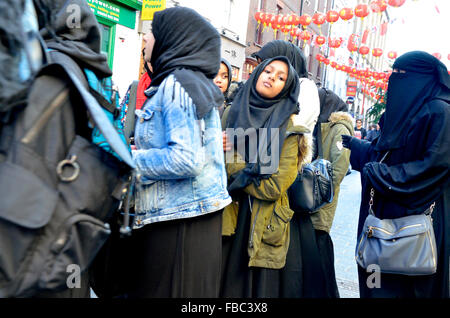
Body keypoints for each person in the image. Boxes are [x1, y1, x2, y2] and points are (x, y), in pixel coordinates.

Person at [125, 7, 231, 298]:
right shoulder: (184, 82)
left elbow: (186, 159)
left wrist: (129, 160)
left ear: (171, 39)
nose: (145, 38)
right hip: (187, 220)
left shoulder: (177, 85)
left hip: (178, 225)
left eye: (151, 32)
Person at [342, 51, 450, 298]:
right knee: (375, 282)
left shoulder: (440, 112)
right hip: (380, 224)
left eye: (402, 75)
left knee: (407, 288)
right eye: (394, 74)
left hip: (416, 226)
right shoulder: (404, 111)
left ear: (421, 78)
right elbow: (387, 151)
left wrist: (381, 174)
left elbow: (435, 166)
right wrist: (361, 151)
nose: (396, 80)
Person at [220, 56, 312, 297]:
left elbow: (272, 188)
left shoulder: (291, 131)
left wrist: (231, 159)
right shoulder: (231, 113)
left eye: (281, 77)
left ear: (287, 88)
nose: (272, 77)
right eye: (268, 71)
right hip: (224, 219)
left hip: (260, 227)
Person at [310, 87, 354, 298]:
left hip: (322, 199)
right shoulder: (322, 125)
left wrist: (321, 194)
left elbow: (340, 166)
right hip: (312, 197)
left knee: (320, 243)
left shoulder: (339, 129)